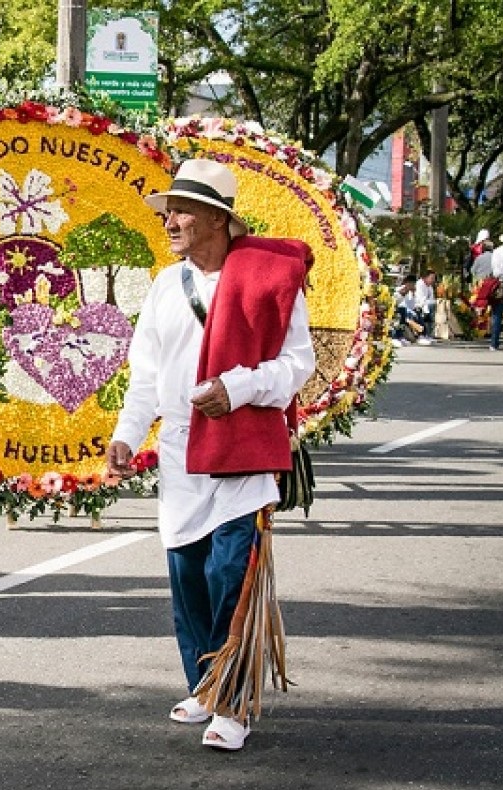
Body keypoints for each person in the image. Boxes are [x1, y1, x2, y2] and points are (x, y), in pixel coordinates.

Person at [107, 159, 315, 752]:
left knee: (231, 574)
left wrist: (239, 388)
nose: (169, 220)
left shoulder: (269, 278)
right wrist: (127, 433)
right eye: (168, 211)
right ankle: (204, 683)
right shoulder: (164, 287)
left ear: (219, 219)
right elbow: (144, 374)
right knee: (187, 576)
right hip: (178, 450)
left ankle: (235, 701)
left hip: (240, 450)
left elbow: (298, 365)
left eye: (182, 210)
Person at [489, 227, 503, 351]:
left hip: (500, 283)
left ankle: (494, 343)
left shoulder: (497, 251)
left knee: (497, 314)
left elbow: (495, 270)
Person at [413, 269, 437, 345]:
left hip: (426, 305)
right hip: (417, 305)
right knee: (428, 308)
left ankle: (428, 335)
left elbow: (431, 299)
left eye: (434, 278)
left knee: (432, 307)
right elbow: (420, 300)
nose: (433, 280)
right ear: (425, 278)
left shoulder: (429, 287)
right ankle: (422, 335)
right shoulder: (419, 284)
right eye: (431, 278)